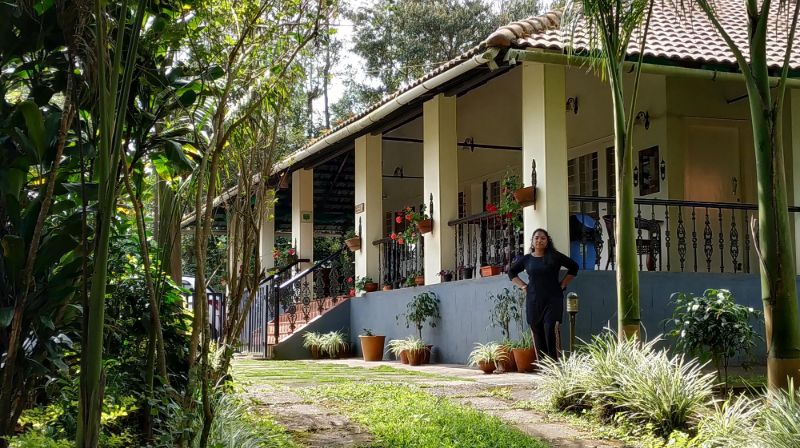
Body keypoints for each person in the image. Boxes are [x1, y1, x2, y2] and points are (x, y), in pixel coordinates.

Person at [508, 228, 579, 361]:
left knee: (550, 327)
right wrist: (523, 286)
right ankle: (543, 364)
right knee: (537, 329)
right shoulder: (527, 259)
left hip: (553, 298)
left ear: (547, 241)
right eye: (536, 238)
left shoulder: (555, 257)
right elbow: (511, 272)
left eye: (543, 238)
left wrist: (563, 284)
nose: (539, 240)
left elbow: (574, 267)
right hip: (534, 300)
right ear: (532, 241)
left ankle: (553, 363)